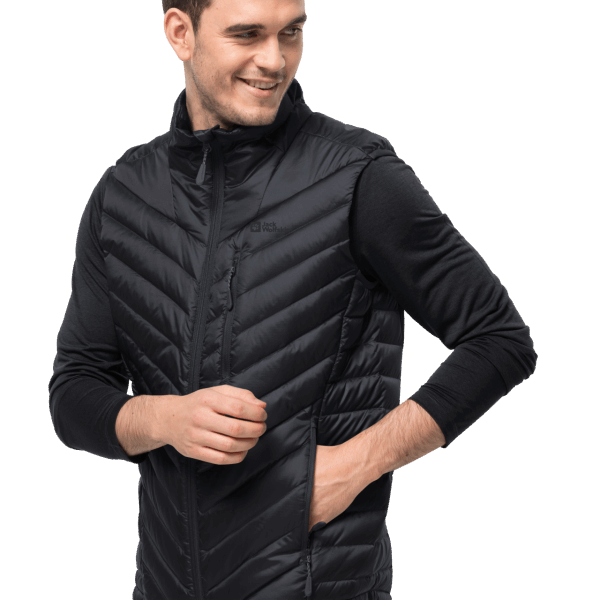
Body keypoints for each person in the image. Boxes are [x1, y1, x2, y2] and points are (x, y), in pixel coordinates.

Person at [48, 0, 537, 598]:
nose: (275, 60)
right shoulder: (124, 194)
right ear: (180, 33)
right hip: (166, 584)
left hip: (319, 583)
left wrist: (352, 467)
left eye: (292, 32)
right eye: (247, 34)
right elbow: (74, 393)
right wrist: (163, 419)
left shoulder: (357, 174)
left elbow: (498, 340)